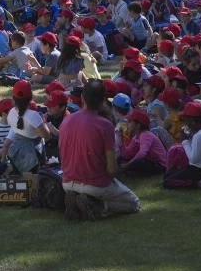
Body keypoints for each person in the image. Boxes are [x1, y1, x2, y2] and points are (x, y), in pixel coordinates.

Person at [58, 79, 141, 219]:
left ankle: (81, 201)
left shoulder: (66, 120)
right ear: (103, 100)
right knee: (134, 203)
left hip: (67, 182)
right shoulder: (104, 125)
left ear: (83, 98)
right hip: (95, 184)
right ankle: (99, 207)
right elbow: (112, 169)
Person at [162, 101, 201, 190]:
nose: (185, 123)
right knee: (168, 175)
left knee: (168, 182)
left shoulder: (199, 136)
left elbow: (193, 159)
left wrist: (185, 140)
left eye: (186, 120)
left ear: (193, 120)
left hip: (200, 170)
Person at [0, 80, 51, 173]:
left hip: (16, 155)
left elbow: (9, 140)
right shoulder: (34, 115)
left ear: (13, 99)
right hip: (33, 159)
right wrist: (43, 122)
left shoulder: (11, 113)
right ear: (31, 97)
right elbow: (47, 136)